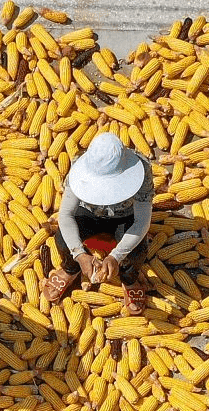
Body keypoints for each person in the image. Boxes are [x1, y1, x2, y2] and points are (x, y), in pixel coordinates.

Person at [44, 132, 154, 316]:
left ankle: (129, 278)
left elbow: (142, 220)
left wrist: (116, 257)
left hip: (124, 216)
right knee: (62, 239)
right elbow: (66, 214)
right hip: (89, 214)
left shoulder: (142, 168)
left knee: (138, 251)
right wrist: (79, 254)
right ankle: (71, 269)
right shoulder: (78, 164)